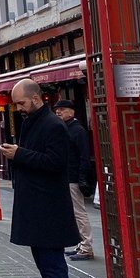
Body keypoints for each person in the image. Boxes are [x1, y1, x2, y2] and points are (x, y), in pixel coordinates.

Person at [3, 80, 80, 278]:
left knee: (53, 266)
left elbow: (55, 162)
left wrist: (19, 154)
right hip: (35, 205)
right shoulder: (33, 122)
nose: (19, 108)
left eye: (22, 103)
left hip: (49, 208)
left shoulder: (53, 125)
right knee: (45, 267)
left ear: (36, 98)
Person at [54, 99, 95, 261]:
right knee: (73, 212)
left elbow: (84, 156)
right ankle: (80, 244)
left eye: (62, 109)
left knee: (79, 213)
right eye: (57, 109)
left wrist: (83, 177)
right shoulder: (66, 128)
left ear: (72, 112)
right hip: (67, 176)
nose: (58, 112)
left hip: (74, 177)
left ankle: (86, 246)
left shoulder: (77, 130)